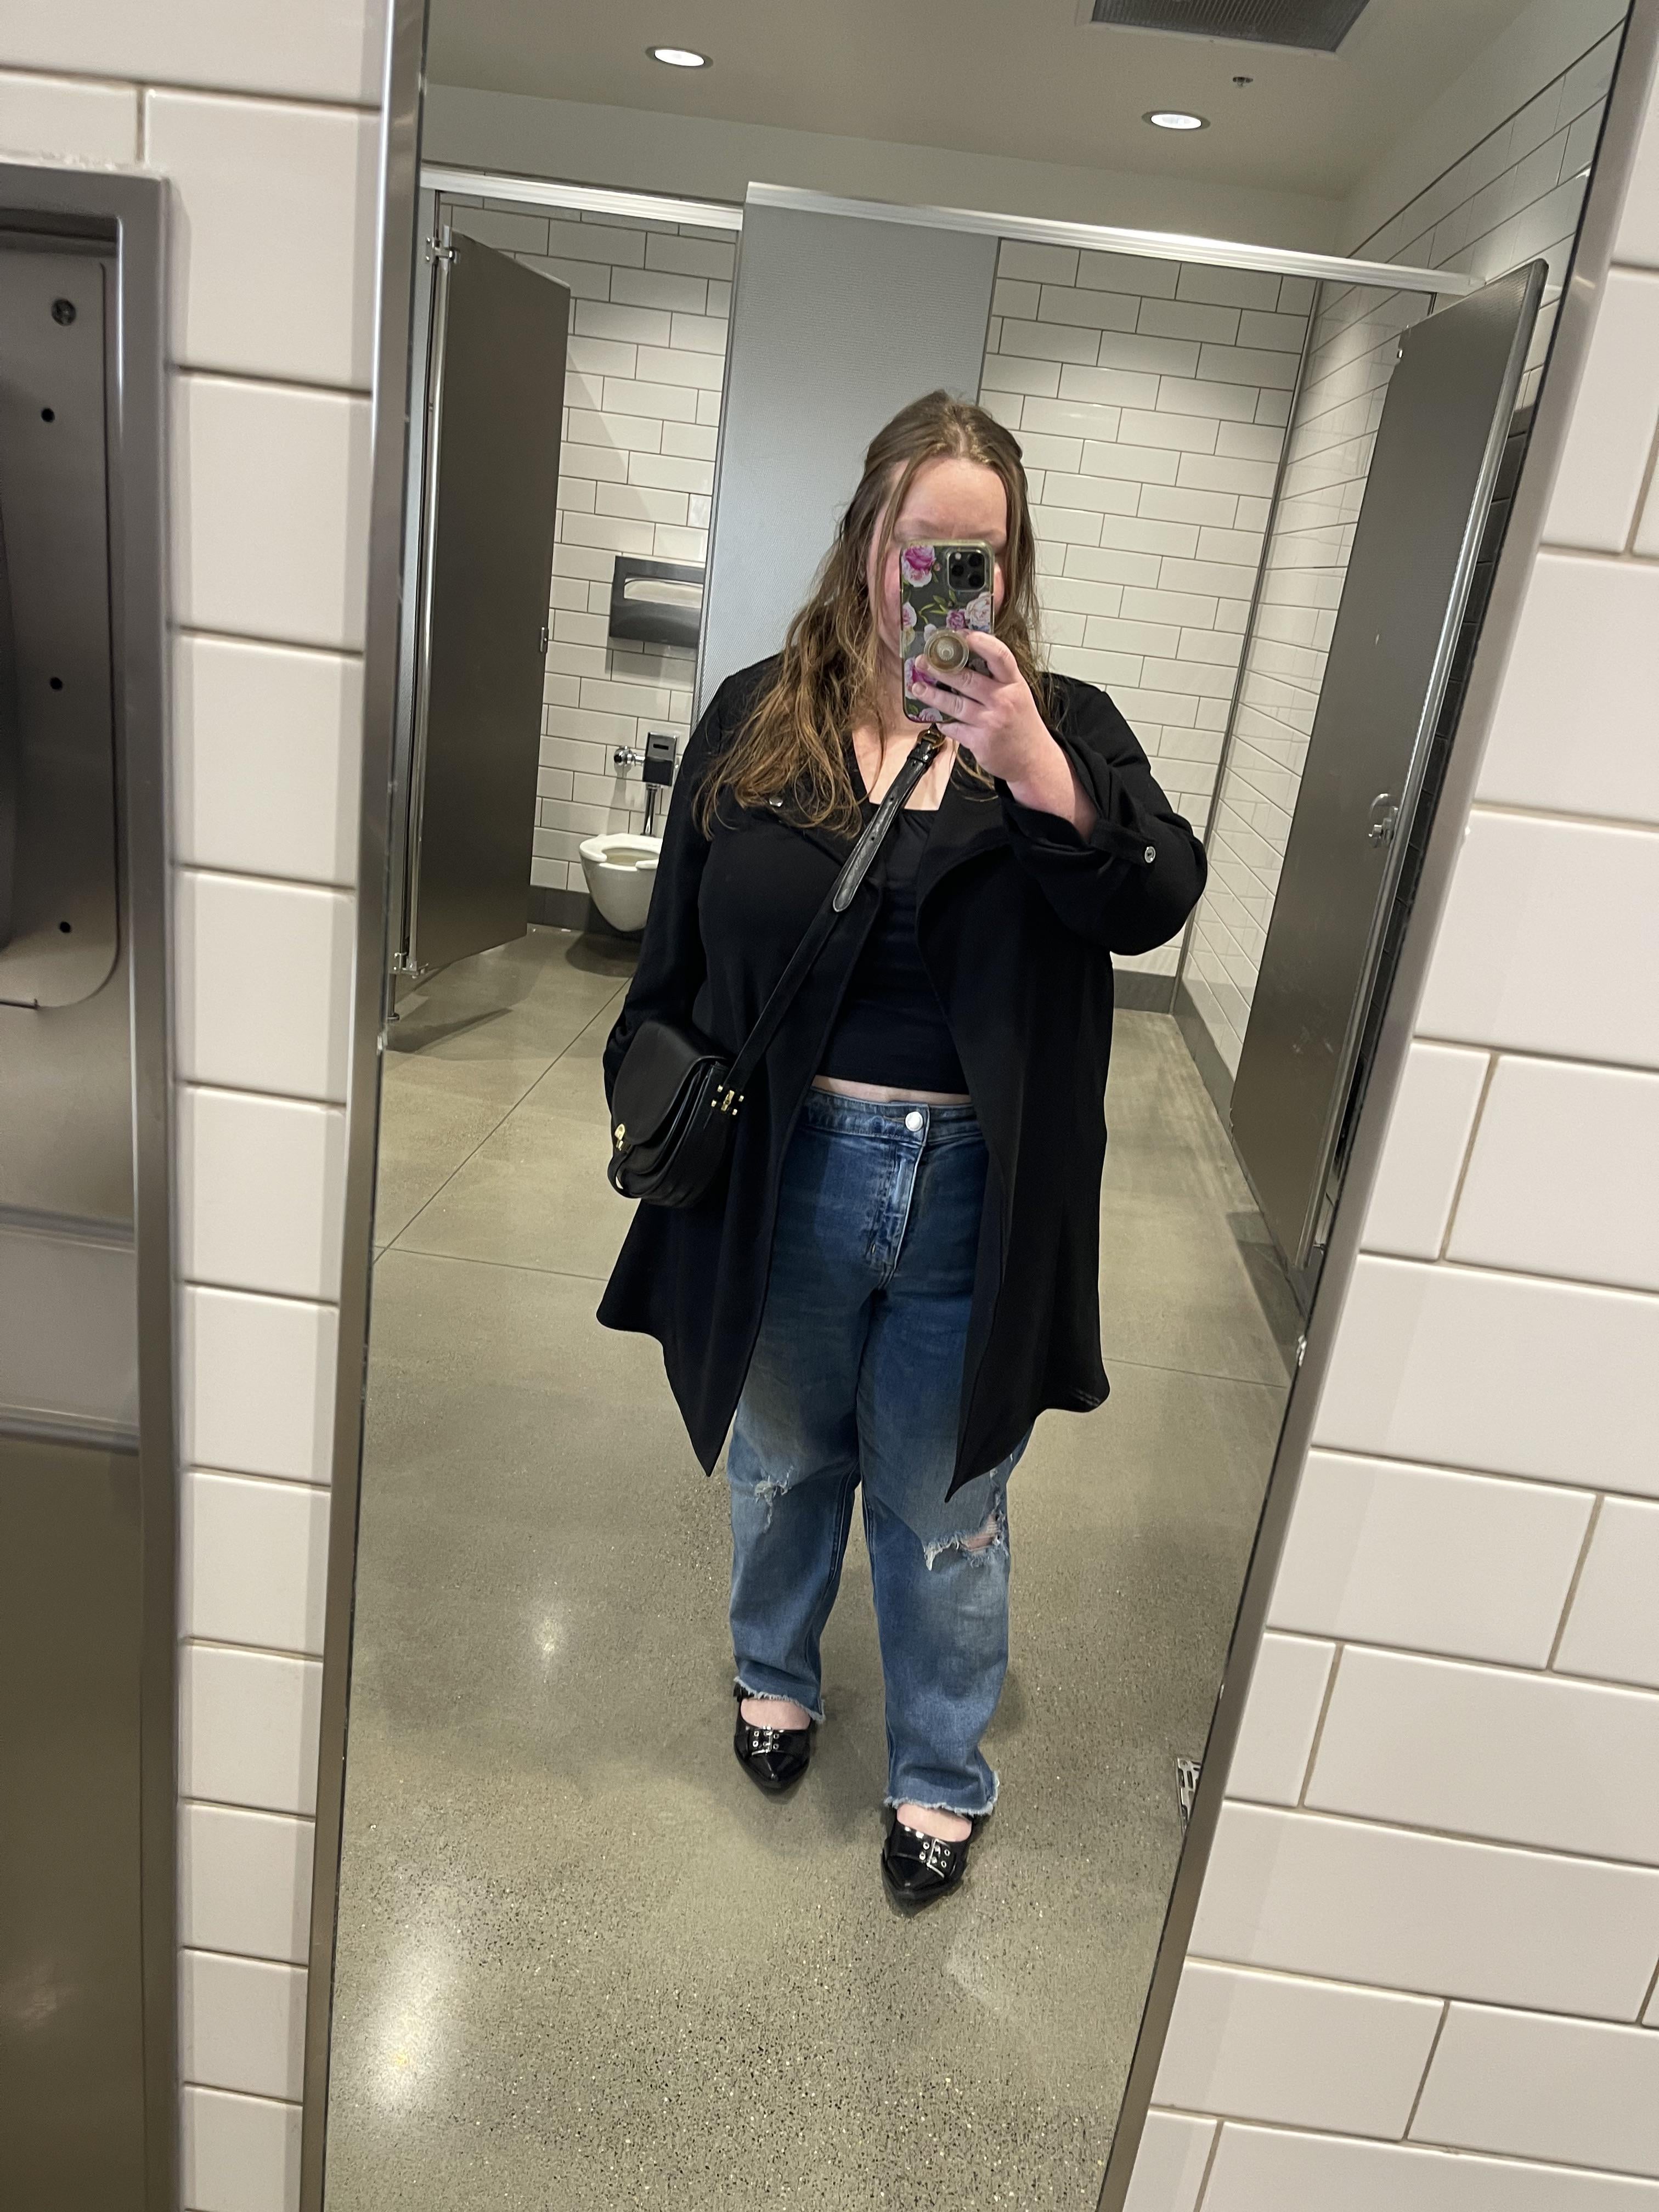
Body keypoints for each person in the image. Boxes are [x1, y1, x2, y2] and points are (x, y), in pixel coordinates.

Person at [599, 390, 1205, 1906]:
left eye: (974, 557)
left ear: (1011, 567)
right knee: (784, 1457)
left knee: (945, 1507)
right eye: (916, 542)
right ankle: (774, 1671)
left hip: (973, 1195)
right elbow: (675, 943)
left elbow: (1154, 895)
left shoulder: (1065, 732)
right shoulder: (757, 716)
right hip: (781, 1170)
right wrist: (640, 1070)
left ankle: (940, 1764)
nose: (938, 579)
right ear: (867, 536)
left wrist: (1031, 761)